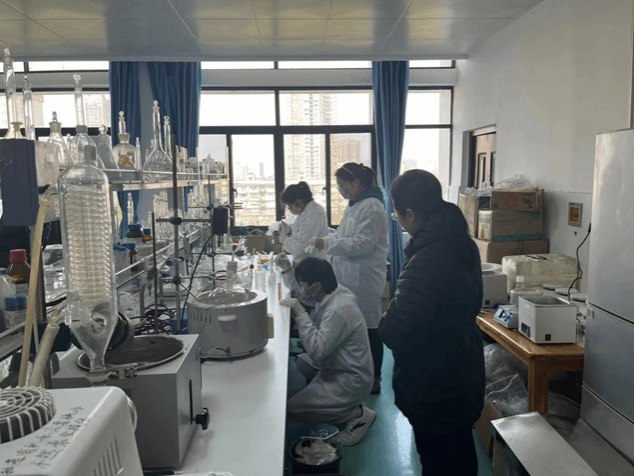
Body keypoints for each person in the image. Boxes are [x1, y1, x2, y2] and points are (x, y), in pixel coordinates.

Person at [378, 169, 485, 476]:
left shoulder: (427, 259)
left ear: (411, 214)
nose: (398, 220)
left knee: (439, 461)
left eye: (397, 214)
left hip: (435, 384)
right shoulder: (461, 242)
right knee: (460, 455)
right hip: (462, 372)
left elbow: (396, 330)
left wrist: (385, 319)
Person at [280, 257, 375, 446]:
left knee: (291, 409)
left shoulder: (338, 310)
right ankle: (336, 402)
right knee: (303, 362)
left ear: (316, 286)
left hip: (350, 378)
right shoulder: (333, 292)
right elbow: (301, 294)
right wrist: (288, 270)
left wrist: (301, 314)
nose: (302, 289)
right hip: (340, 365)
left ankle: (356, 416)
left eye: (303, 284)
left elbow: (317, 351)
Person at [311, 163, 388, 394]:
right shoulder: (356, 205)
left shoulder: (372, 207)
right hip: (350, 277)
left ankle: (375, 379)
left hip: (364, 279)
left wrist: (329, 244)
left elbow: (363, 244)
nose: (341, 190)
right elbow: (345, 236)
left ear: (355, 184)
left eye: (342, 186)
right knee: (354, 327)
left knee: (370, 328)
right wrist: (327, 238)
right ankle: (353, 372)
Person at [279, 182, 328, 262]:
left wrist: (285, 240)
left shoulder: (313, 213)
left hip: (312, 263)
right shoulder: (306, 212)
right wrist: (291, 230)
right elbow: (303, 231)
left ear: (298, 203)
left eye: (289, 206)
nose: (289, 209)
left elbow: (301, 248)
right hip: (306, 262)